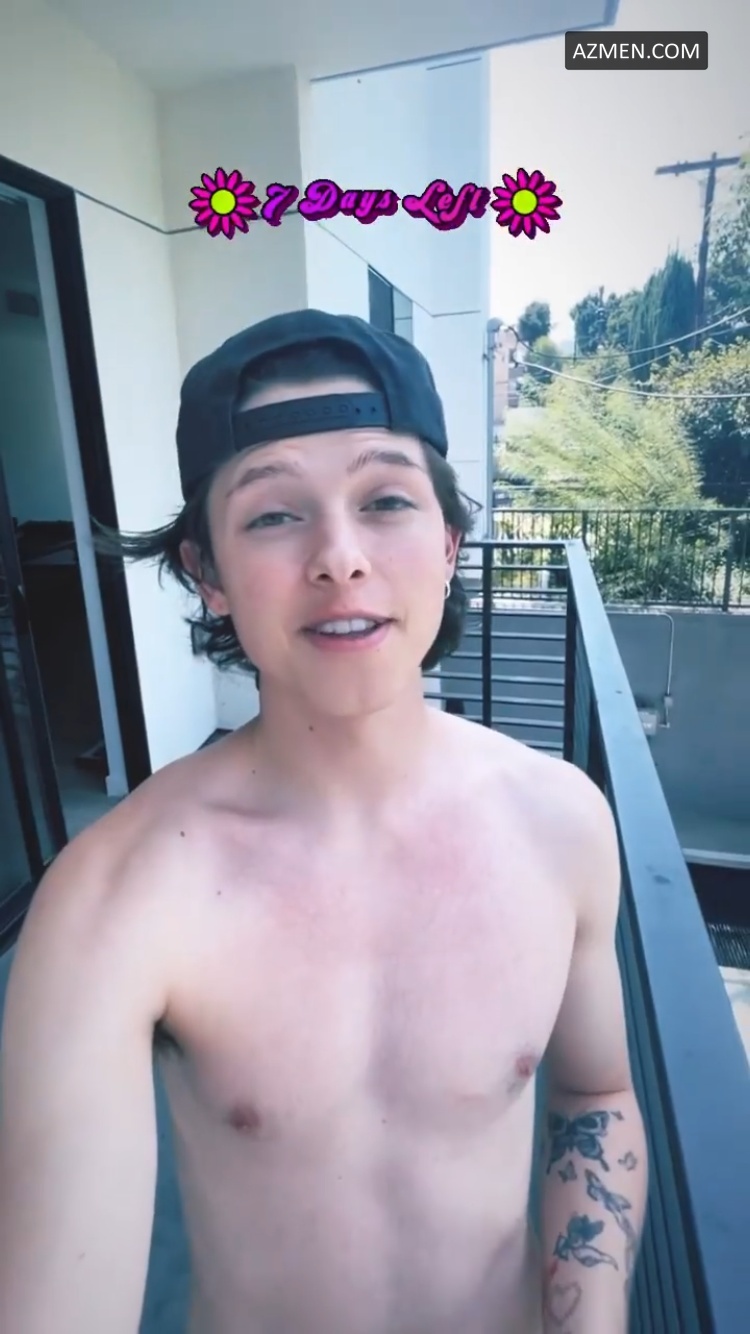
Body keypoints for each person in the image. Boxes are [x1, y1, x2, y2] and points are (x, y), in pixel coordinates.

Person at [0, 310, 647, 1334]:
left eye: (385, 499)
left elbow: (595, 1094)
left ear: (448, 542)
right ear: (207, 573)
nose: (339, 558)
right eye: (272, 515)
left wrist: (592, 1315)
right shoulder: (115, 897)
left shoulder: (561, 822)